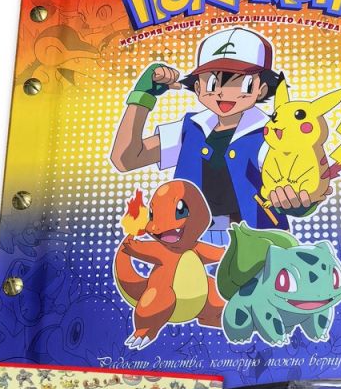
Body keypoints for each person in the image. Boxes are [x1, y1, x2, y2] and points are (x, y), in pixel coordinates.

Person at [111, 28, 298, 243]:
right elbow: (126, 159)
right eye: (212, 83)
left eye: (242, 83)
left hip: (257, 241)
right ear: (198, 87)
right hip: (191, 241)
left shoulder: (272, 133)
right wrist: (143, 96)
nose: (223, 92)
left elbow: (302, 182)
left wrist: (300, 202)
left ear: (261, 89)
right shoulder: (190, 128)